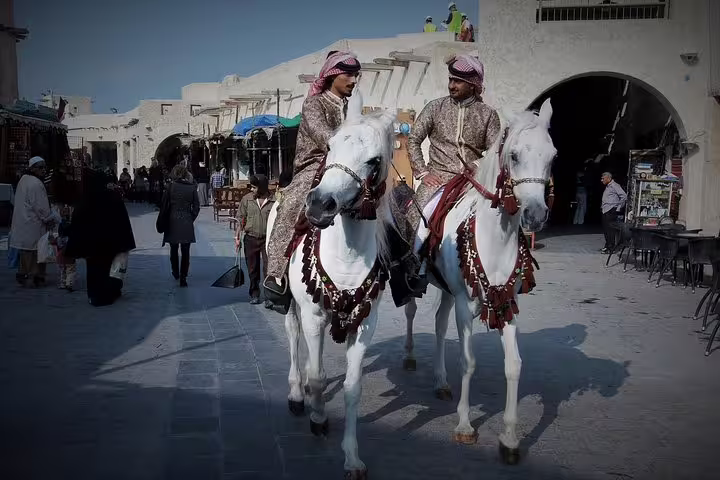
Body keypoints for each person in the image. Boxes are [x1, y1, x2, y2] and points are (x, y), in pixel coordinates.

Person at [264, 50, 361, 312]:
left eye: (356, 75)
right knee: (292, 204)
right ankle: (276, 275)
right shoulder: (314, 104)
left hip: (349, 168)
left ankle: (399, 266)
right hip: (314, 167)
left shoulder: (354, 106)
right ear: (332, 76)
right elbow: (324, 137)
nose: (353, 80)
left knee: (387, 201)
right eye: (348, 75)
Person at [402, 54, 501, 304]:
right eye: (450, 79)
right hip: (439, 180)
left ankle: (502, 270)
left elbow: (496, 149)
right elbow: (413, 140)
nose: (451, 85)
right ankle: (414, 270)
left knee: (500, 215)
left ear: (473, 85)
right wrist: (423, 172)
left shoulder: (487, 114)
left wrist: (478, 166)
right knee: (416, 215)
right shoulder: (435, 107)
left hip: (473, 183)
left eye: (458, 81)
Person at [65, 168, 136, 306]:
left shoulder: (85, 199)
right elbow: (122, 221)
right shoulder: (113, 198)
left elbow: (78, 220)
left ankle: (94, 295)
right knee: (109, 268)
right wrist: (124, 241)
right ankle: (109, 293)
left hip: (91, 244)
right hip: (110, 243)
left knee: (93, 269)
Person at [9, 156, 59, 287]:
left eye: (44, 167)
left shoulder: (23, 180)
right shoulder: (36, 183)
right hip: (34, 222)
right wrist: (49, 219)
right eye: (40, 167)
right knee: (37, 249)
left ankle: (24, 273)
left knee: (26, 250)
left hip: (23, 221)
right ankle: (36, 276)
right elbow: (41, 206)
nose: (43, 170)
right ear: (32, 168)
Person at [236, 174, 275, 305]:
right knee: (252, 268)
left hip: (268, 240)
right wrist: (237, 237)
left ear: (262, 187)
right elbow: (240, 219)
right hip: (250, 238)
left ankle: (269, 296)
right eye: (251, 187)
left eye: (254, 187)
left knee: (268, 269)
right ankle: (254, 293)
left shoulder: (274, 200)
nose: (252, 190)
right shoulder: (246, 200)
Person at [162, 164, 200, 287]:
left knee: (173, 249)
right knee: (186, 251)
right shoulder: (192, 188)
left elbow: (164, 205)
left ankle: (175, 271)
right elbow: (196, 207)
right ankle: (183, 277)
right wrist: (190, 218)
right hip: (186, 221)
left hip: (172, 221)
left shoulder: (170, 187)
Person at [600, 172, 627, 254]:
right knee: (606, 229)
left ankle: (611, 248)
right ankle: (607, 245)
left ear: (608, 178)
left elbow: (624, 196)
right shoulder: (608, 186)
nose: (601, 180)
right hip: (605, 209)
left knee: (610, 230)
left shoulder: (615, 185)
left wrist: (618, 207)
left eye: (603, 178)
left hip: (611, 210)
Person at [55, 205, 76, 291]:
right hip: (70, 254)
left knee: (62, 270)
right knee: (70, 269)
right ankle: (69, 283)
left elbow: (55, 241)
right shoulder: (71, 227)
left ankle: (63, 283)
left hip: (61, 255)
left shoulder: (59, 237)